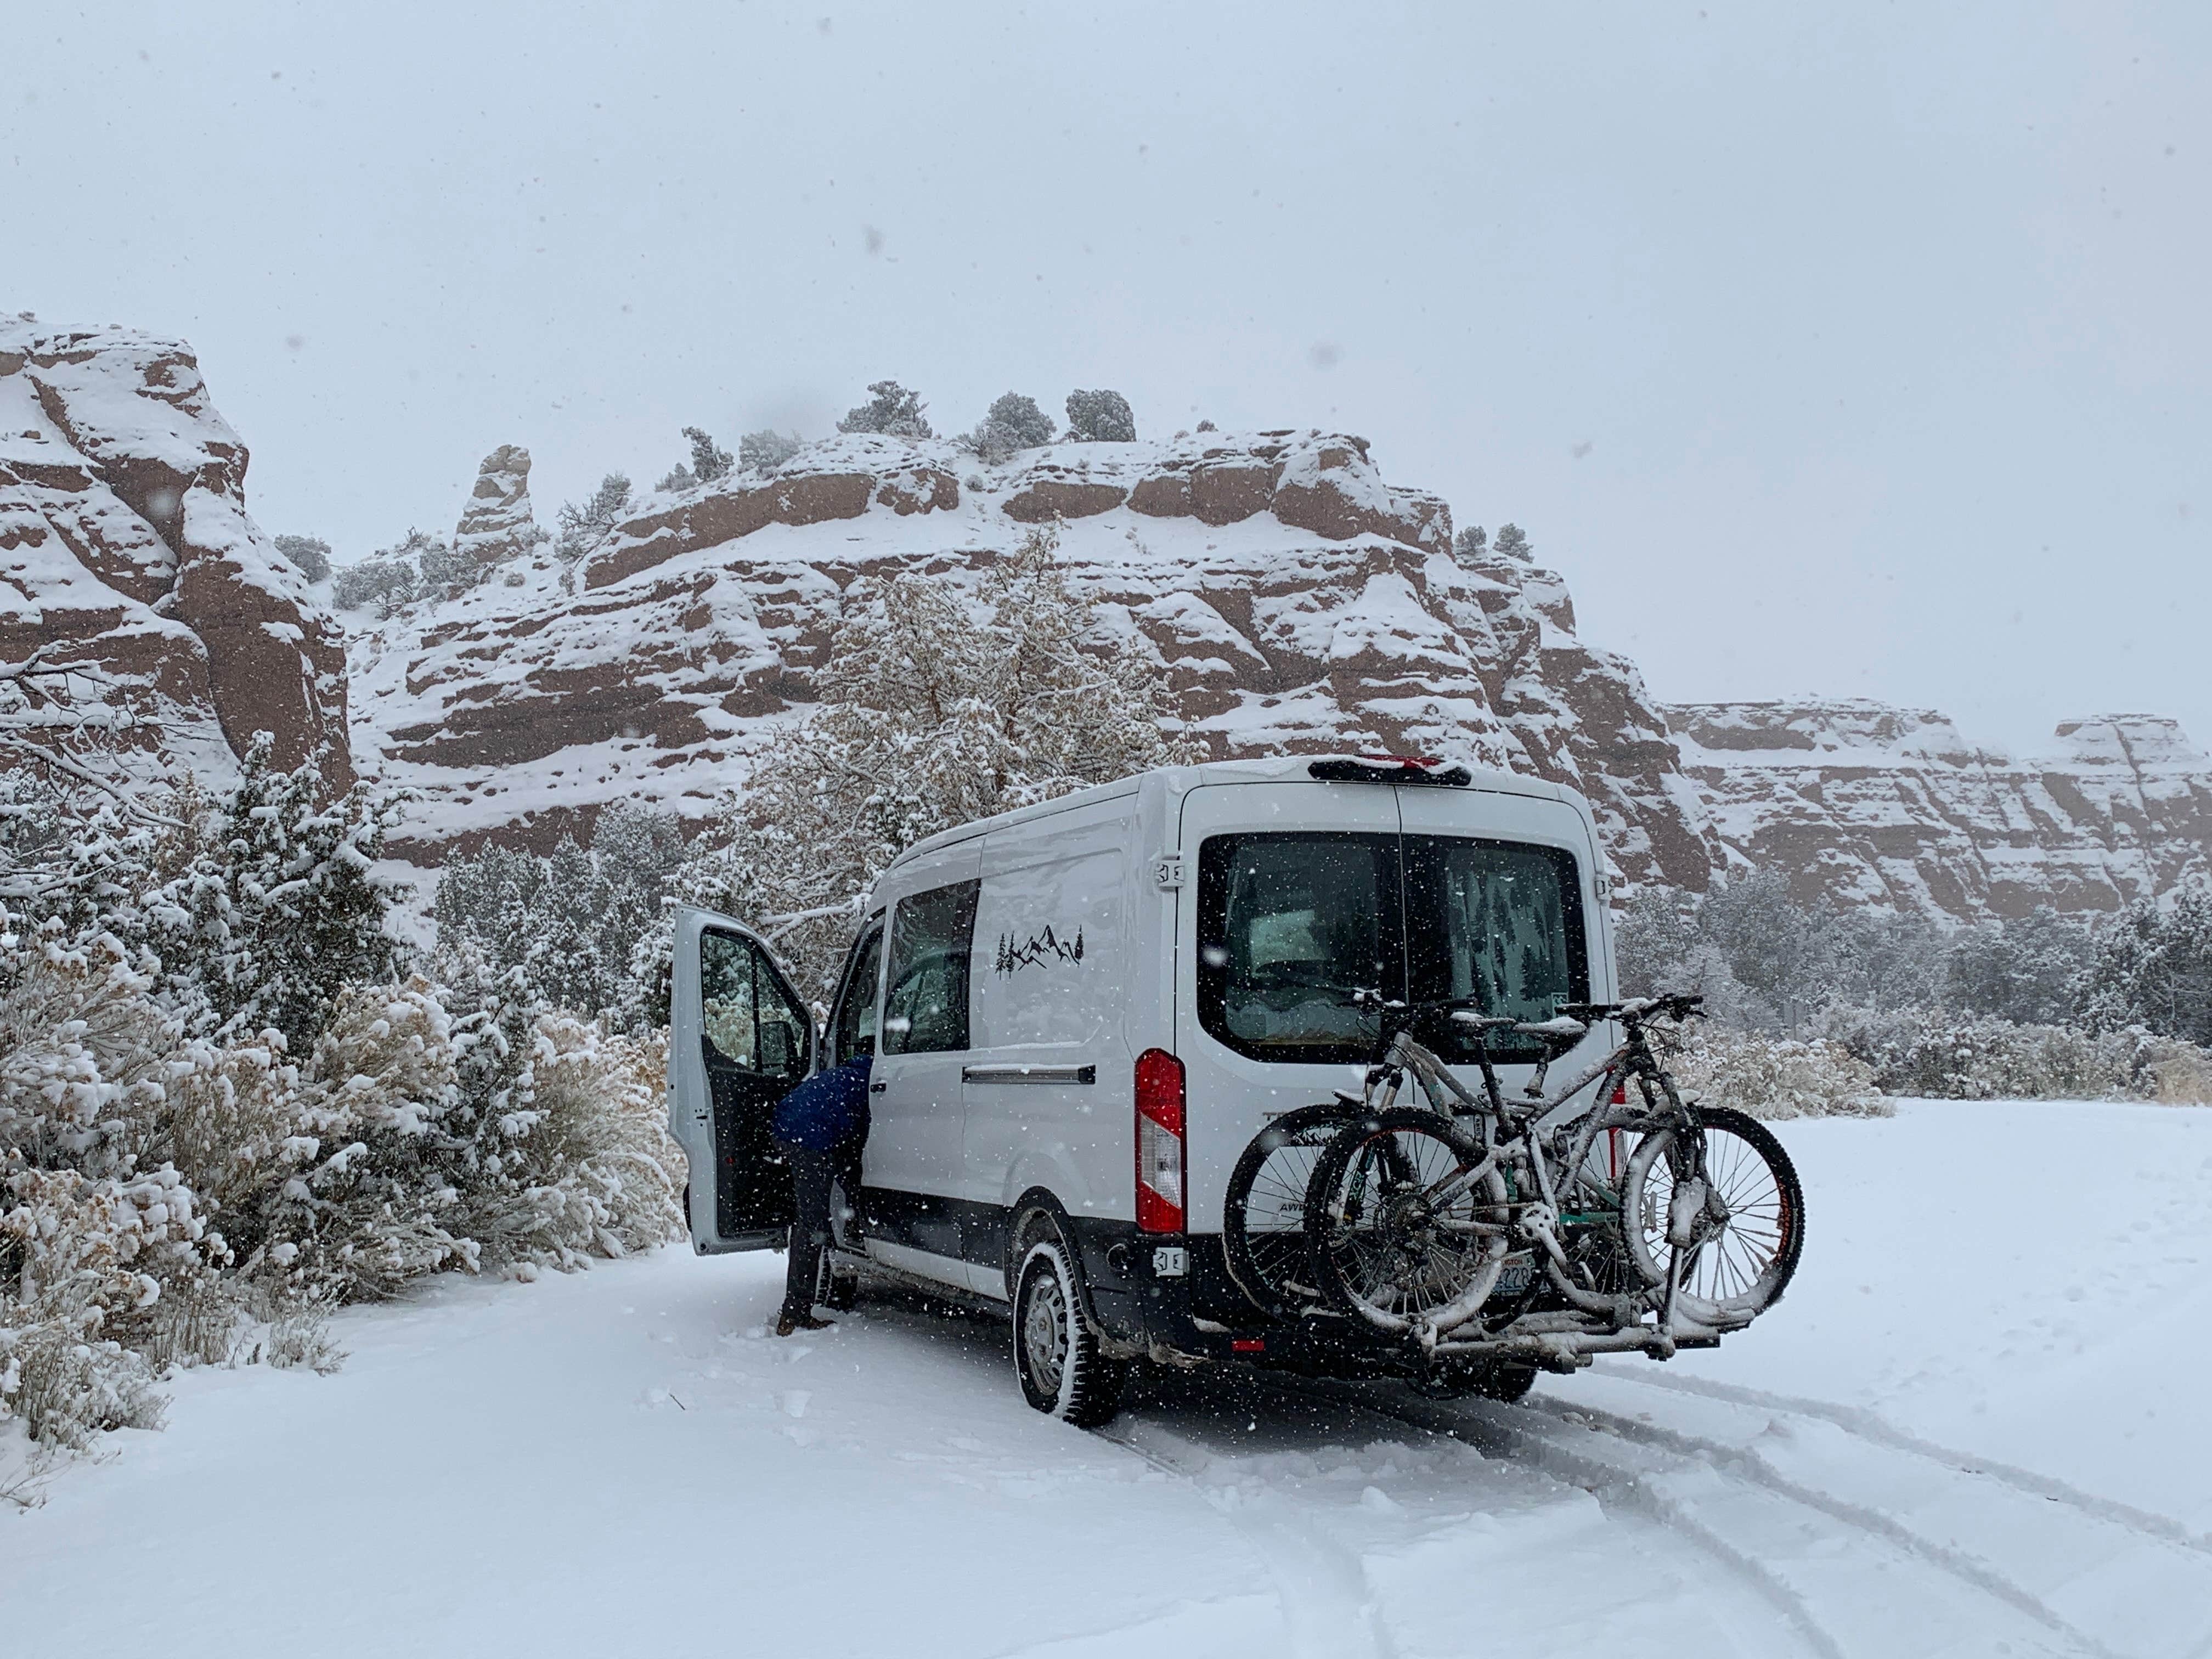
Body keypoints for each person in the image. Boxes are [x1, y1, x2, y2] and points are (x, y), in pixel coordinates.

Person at [769, 1043, 871, 1336]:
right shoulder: (868, 1086)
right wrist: (857, 1198)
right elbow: (855, 1146)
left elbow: (844, 1146)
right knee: (812, 1225)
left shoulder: (845, 1075)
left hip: (785, 1127)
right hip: (809, 1139)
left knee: (810, 1219)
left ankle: (797, 1309)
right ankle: (795, 1314)